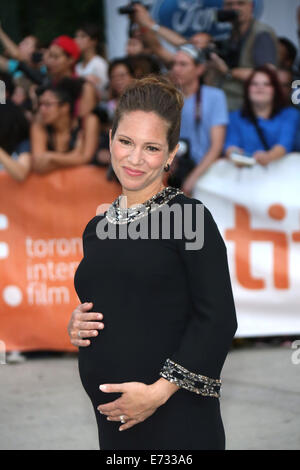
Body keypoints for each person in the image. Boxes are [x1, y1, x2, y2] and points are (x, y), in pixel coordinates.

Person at [68, 75, 237, 450]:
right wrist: (76, 322)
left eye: (151, 147)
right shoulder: (98, 227)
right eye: (126, 141)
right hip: (115, 424)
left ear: (171, 154)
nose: (134, 158)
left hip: (177, 418)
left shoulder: (188, 217)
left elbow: (219, 318)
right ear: (110, 137)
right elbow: (121, 300)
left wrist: (157, 394)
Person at [170, 44, 228, 194]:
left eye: (183, 64)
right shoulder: (167, 98)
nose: (176, 69)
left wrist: (193, 178)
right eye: (174, 64)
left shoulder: (215, 96)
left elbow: (216, 146)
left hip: (205, 175)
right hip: (172, 172)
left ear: (200, 69)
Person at [209, 0, 278, 111]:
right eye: (229, 4)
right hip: (227, 101)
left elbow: (268, 74)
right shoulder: (232, 33)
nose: (235, 8)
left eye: (241, 3)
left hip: (246, 106)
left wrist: (229, 72)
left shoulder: (261, 34)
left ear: (251, 7)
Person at [224, 66, 300, 165]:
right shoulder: (234, 117)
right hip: (246, 175)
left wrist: (268, 157)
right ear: (247, 89)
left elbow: (284, 144)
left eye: (266, 84)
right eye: (254, 84)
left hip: (280, 176)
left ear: (275, 90)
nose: (260, 87)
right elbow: (230, 146)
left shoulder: (290, 115)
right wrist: (237, 156)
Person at [31, 77, 99, 173]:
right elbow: (39, 166)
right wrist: (75, 155)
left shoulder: (88, 122)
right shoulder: (39, 125)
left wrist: (50, 157)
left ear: (65, 107)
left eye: (47, 104)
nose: (42, 109)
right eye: (40, 104)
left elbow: (86, 159)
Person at [45, 35, 97, 117]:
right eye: (50, 56)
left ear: (71, 60)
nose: (50, 61)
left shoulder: (85, 88)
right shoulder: (47, 85)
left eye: (56, 57)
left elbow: (84, 121)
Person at [74, 23, 109, 99]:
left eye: (82, 36)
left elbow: (105, 92)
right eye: (76, 36)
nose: (76, 40)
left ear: (93, 41)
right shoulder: (77, 66)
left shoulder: (99, 63)